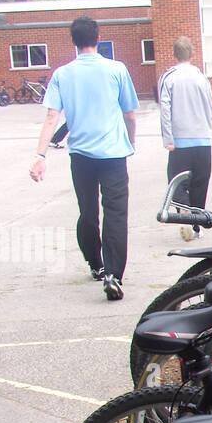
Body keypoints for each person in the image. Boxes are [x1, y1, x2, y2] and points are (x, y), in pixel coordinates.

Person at [29, 17, 138, 301]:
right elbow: (129, 113)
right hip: (113, 154)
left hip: (81, 156)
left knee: (88, 213)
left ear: (72, 41)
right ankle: (114, 274)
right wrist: (131, 141)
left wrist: (40, 155)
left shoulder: (62, 75)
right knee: (116, 214)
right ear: (98, 38)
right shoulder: (116, 69)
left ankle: (95, 263)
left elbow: (52, 117)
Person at [158, 36, 212, 241]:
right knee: (200, 182)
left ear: (174, 54)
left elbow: (165, 108)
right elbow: (210, 106)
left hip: (180, 140)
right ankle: (197, 224)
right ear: (192, 54)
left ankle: (184, 212)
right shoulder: (201, 77)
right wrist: (207, 125)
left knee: (176, 181)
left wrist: (168, 138)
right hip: (202, 139)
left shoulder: (169, 77)